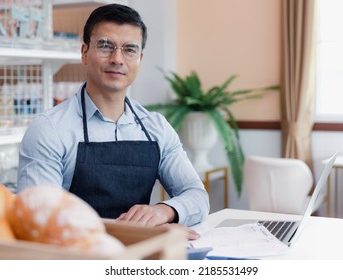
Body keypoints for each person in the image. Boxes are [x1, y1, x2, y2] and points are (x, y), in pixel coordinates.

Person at [16, 4, 209, 237]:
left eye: (129, 49)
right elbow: (40, 219)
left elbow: (197, 195)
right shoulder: (49, 129)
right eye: (106, 46)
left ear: (140, 58)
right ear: (84, 53)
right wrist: (134, 232)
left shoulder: (156, 128)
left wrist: (163, 211)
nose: (117, 59)